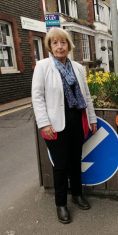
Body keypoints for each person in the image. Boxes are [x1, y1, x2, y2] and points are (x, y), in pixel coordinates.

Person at [32, 27, 97, 224]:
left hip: (77, 120)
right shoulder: (43, 67)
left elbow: (86, 95)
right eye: (55, 43)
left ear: (68, 45)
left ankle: (77, 195)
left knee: (76, 160)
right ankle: (61, 204)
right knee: (61, 165)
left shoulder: (78, 68)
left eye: (63, 42)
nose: (59, 46)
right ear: (49, 46)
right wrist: (44, 124)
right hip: (54, 125)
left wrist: (92, 118)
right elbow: (37, 97)